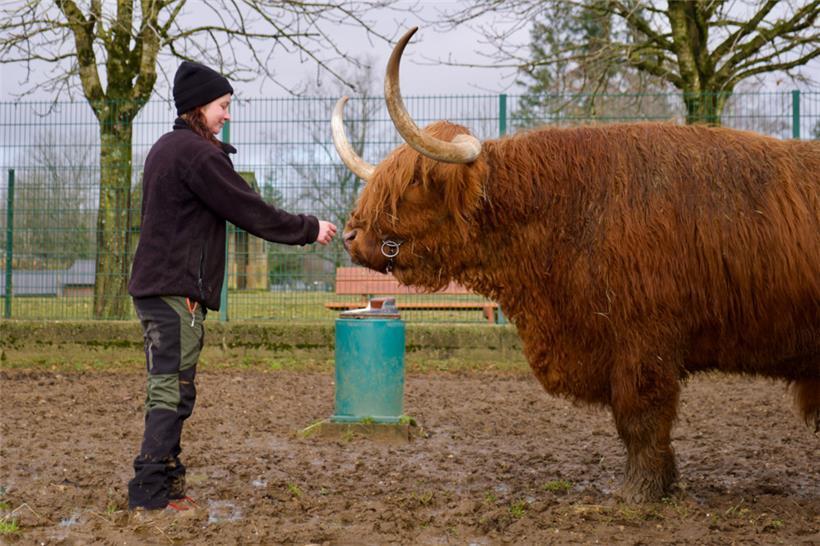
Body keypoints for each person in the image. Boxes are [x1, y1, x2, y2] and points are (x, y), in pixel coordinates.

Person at [126, 61, 337, 511]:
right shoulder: (198, 155)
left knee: (172, 386)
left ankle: (167, 481)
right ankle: (149, 493)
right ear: (199, 107)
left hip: (156, 288)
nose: (227, 115)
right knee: (171, 390)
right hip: (173, 291)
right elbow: (249, 209)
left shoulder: (166, 148)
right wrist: (308, 228)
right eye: (223, 106)